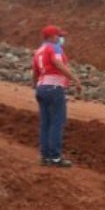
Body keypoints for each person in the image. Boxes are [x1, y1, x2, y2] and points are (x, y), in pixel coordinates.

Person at [32, 25, 82, 167]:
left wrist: (36, 87)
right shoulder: (54, 48)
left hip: (42, 87)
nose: (61, 38)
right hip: (54, 88)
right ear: (52, 37)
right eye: (59, 36)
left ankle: (45, 156)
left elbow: (35, 73)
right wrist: (75, 79)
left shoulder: (38, 51)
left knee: (45, 123)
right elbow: (58, 64)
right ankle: (55, 157)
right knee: (57, 122)